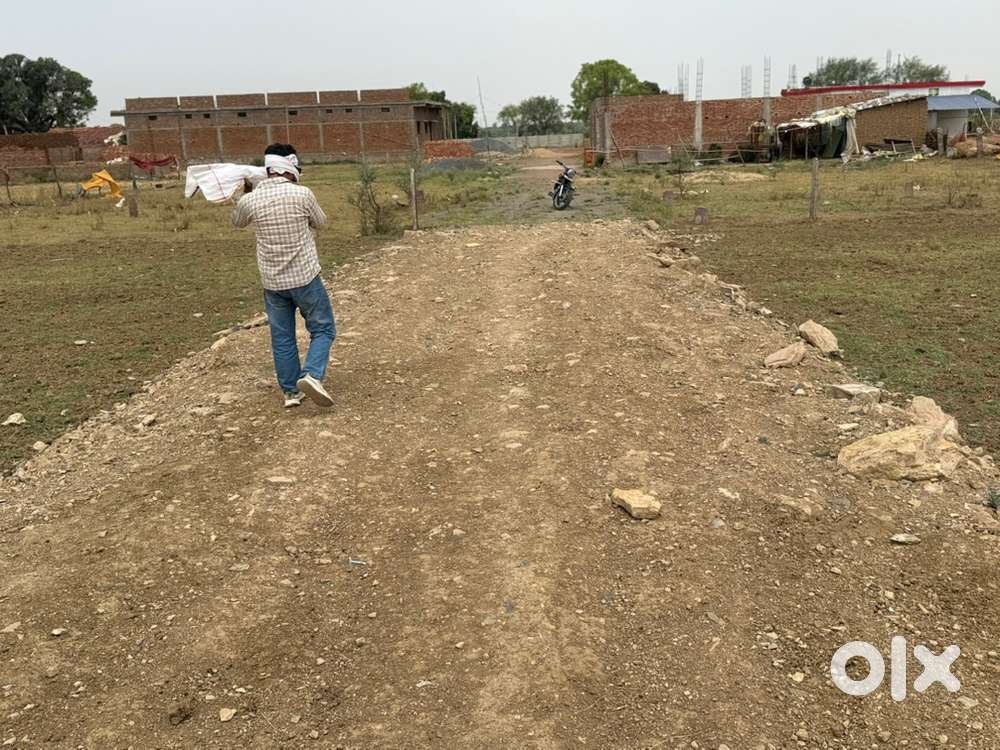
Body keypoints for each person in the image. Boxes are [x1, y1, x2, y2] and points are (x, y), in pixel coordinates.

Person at [233, 143, 336, 409]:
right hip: (305, 278)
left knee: (282, 337)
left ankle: (291, 392)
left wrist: (247, 190)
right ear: (290, 167)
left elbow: (238, 221)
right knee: (323, 329)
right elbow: (321, 223)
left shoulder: (250, 200)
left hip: (273, 282)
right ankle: (312, 375)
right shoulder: (302, 194)